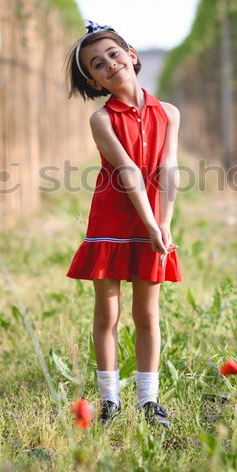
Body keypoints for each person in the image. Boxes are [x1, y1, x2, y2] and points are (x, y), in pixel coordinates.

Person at [65, 21, 181, 430]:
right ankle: (110, 400)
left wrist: (163, 223)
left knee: (148, 314)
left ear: (132, 55)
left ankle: (149, 401)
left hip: (153, 221)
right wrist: (150, 223)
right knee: (107, 313)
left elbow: (168, 168)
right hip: (113, 221)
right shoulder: (102, 119)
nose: (109, 64)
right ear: (93, 80)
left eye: (114, 54)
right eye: (97, 64)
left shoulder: (168, 113)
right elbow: (129, 171)